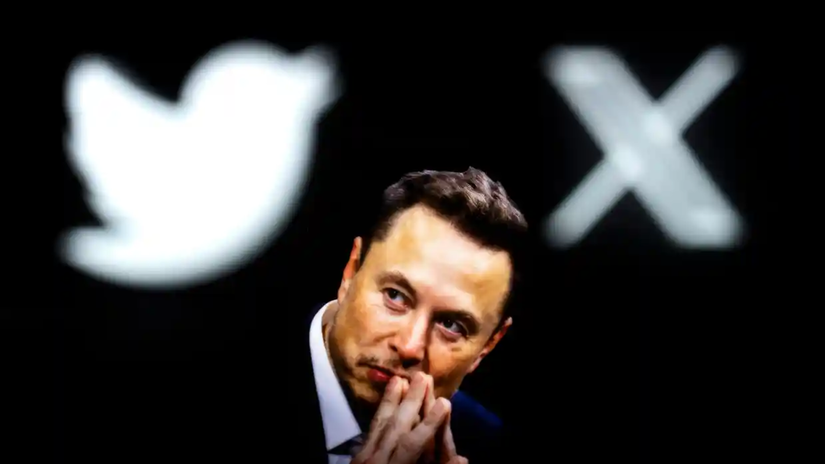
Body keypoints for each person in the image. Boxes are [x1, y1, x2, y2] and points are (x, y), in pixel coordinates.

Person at [297, 167, 529, 463]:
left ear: (488, 346)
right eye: (395, 296)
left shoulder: (491, 446)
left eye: (451, 325)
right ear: (351, 272)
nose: (410, 347)